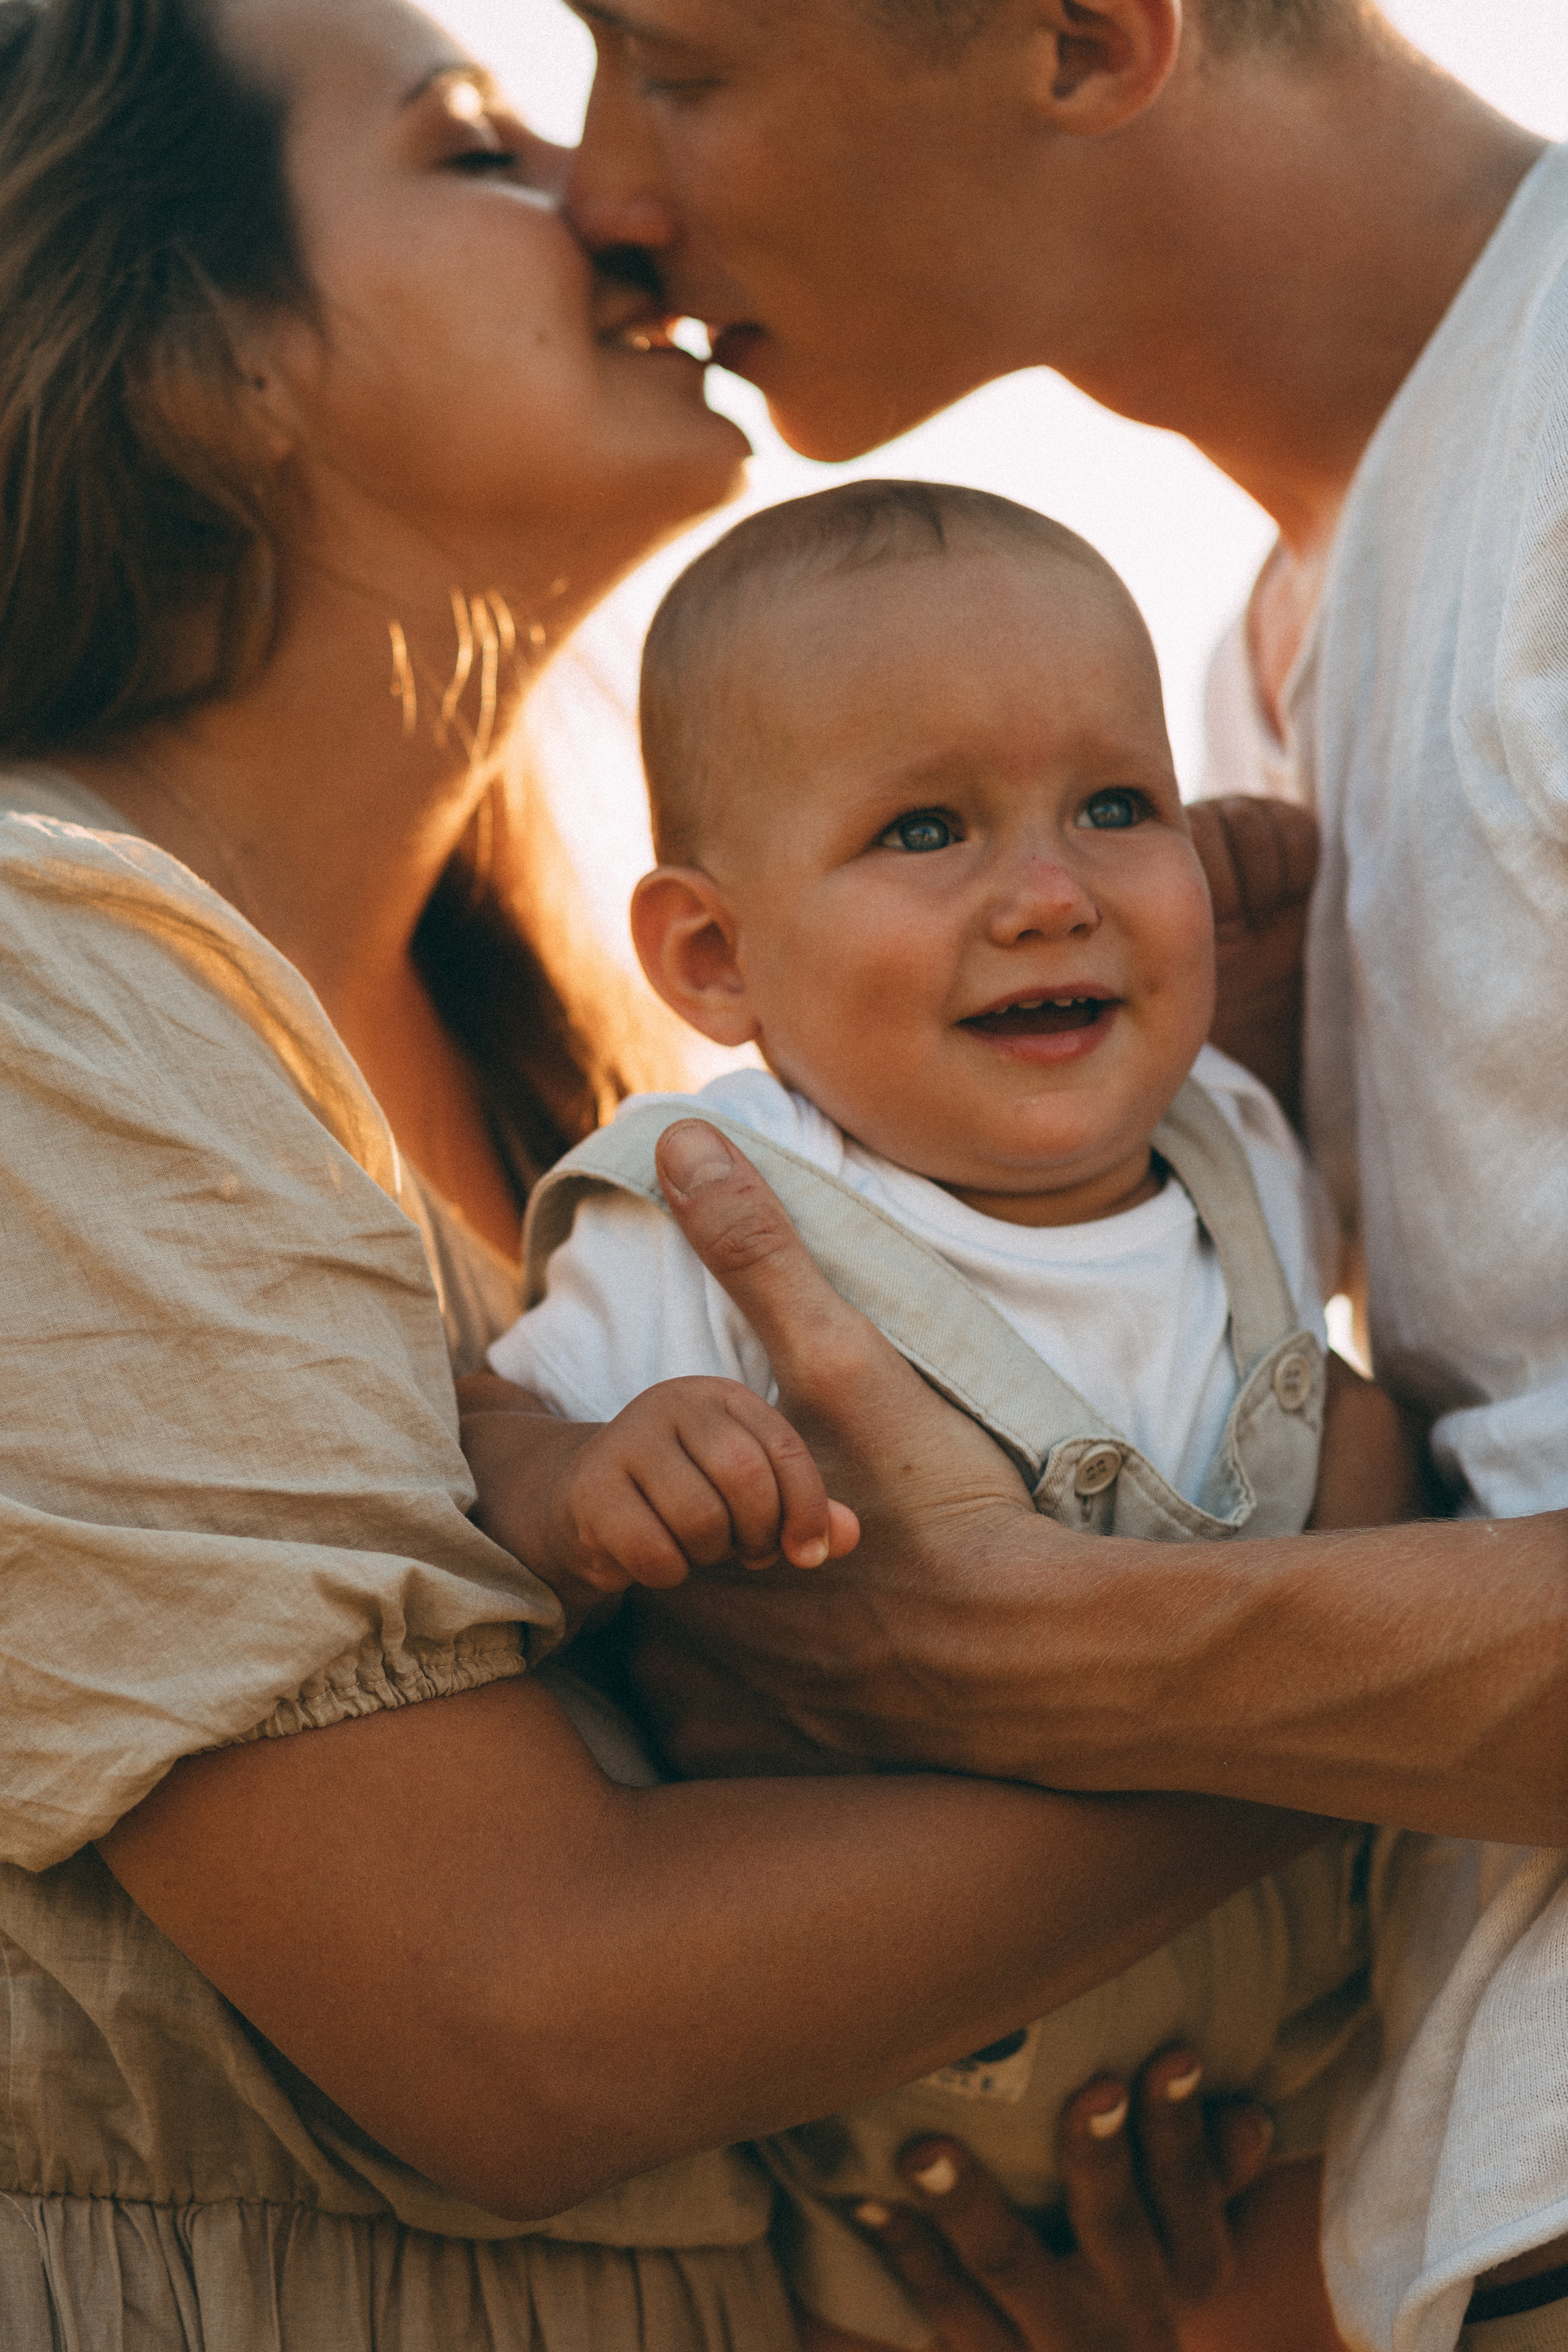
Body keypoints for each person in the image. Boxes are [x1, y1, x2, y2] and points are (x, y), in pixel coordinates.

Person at [0, 1, 1330, 2346]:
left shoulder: (640, 1105)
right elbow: (523, 2023)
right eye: (477, 145)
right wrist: (1418, 1700)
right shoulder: (37, 986)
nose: (617, 198)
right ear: (208, 357)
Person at [559, 0, 1568, 2343]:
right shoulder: (1264, 679)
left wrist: (1045, 1653)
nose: (599, 189)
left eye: (678, 61)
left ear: (1092, 37)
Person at [471, 477, 1423, 2350]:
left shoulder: (1230, 1134)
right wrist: (594, 1472)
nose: (1052, 890)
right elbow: (497, 1463)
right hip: (913, 2149)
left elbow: (1303, 1398)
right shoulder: (711, 1210)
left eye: (1115, 804)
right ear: (713, 960)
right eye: (928, 826)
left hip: (1294, 2100)